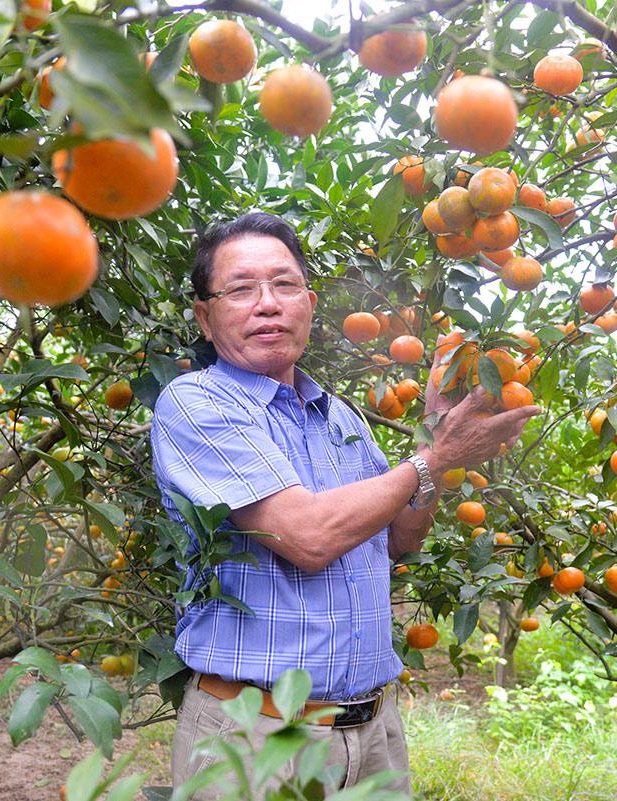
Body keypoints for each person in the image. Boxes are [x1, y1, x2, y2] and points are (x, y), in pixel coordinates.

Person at [151, 212, 540, 798]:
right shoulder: (196, 404)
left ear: (308, 303)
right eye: (240, 289)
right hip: (256, 738)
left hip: (373, 734)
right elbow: (306, 539)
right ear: (205, 317)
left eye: (284, 286)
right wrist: (432, 460)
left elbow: (397, 539)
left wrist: (435, 438)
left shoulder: (341, 418)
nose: (267, 304)